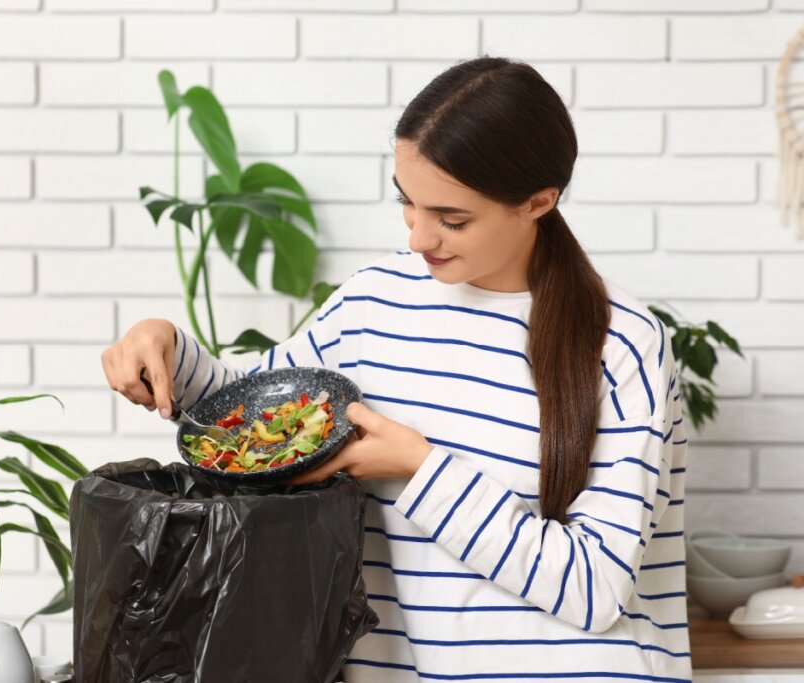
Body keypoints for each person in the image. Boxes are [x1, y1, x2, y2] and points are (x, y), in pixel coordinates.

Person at [101, 56, 690, 683]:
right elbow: (253, 421)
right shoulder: (375, 301)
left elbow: (594, 589)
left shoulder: (623, 343)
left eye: (452, 219)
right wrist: (163, 346)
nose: (418, 237)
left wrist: (418, 467)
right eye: (408, 203)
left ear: (538, 202)